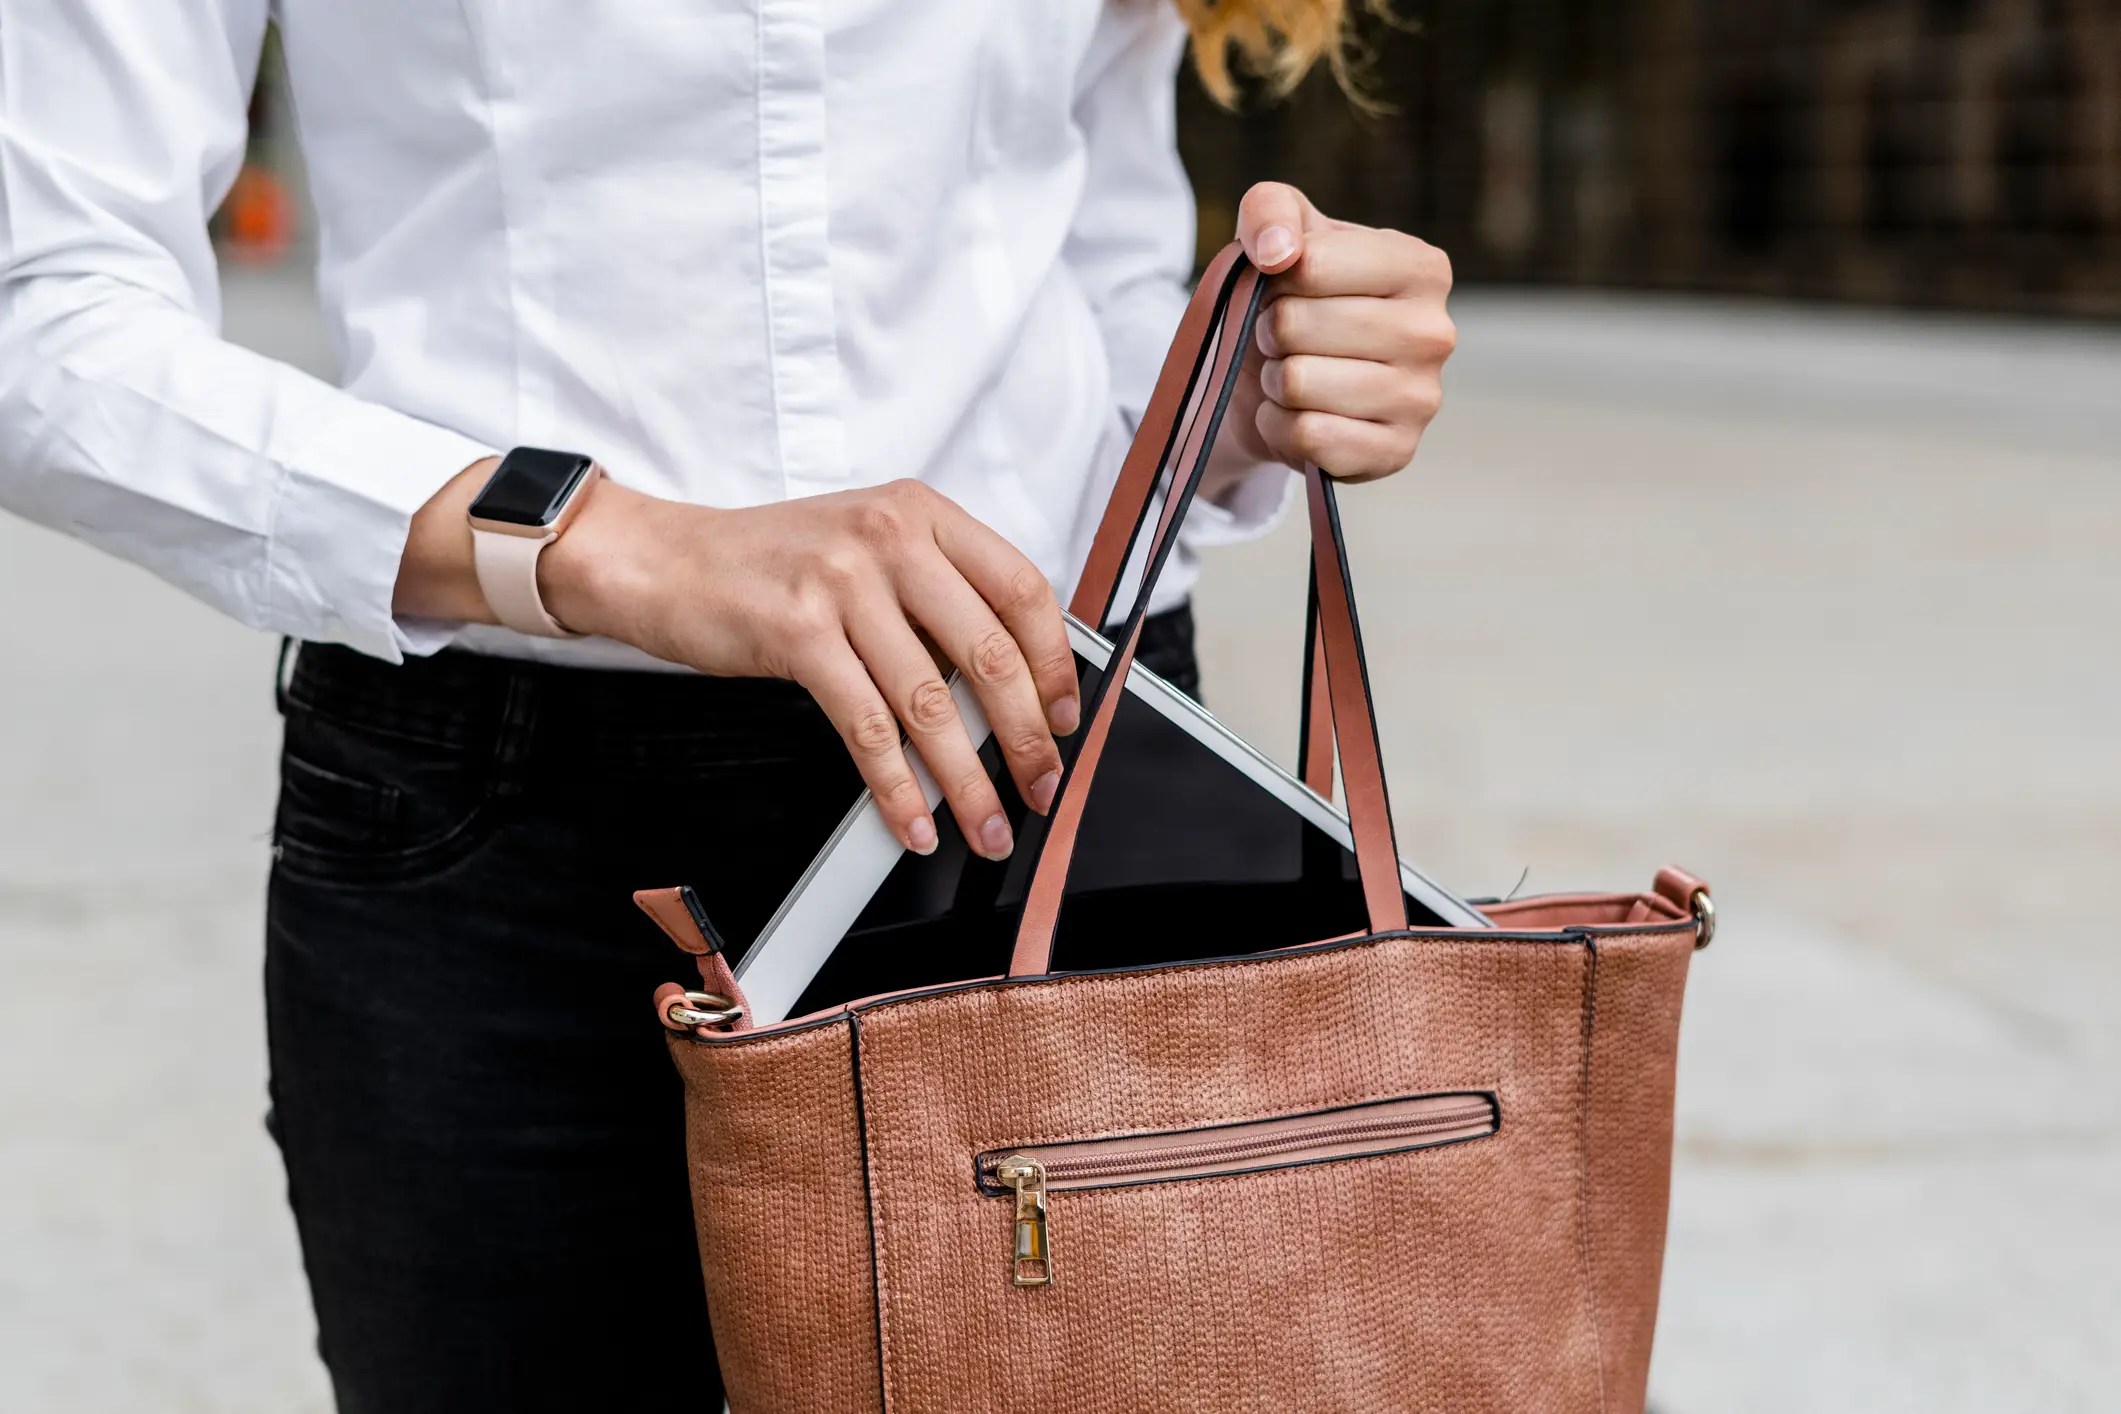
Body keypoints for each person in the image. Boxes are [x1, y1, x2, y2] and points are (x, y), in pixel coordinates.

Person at [0, 1, 1456, 1408]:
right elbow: (43, 306)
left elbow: (1079, 250)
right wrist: (607, 539)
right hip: (504, 845)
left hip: (1041, 780)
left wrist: (1249, 393)